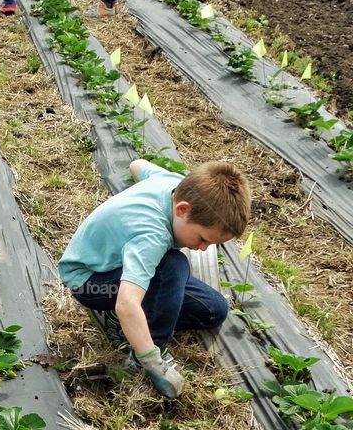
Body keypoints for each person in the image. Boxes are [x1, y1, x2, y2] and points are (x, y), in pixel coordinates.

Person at [59, 159, 249, 398]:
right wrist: (152, 361)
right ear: (182, 209)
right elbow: (127, 304)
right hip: (89, 282)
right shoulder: (152, 236)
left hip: (122, 273)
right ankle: (141, 355)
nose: (203, 249)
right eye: (202, 239)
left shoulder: (174, 184)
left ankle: (136, 325)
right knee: (173, 265)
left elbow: (136, 165)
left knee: (214, 310)